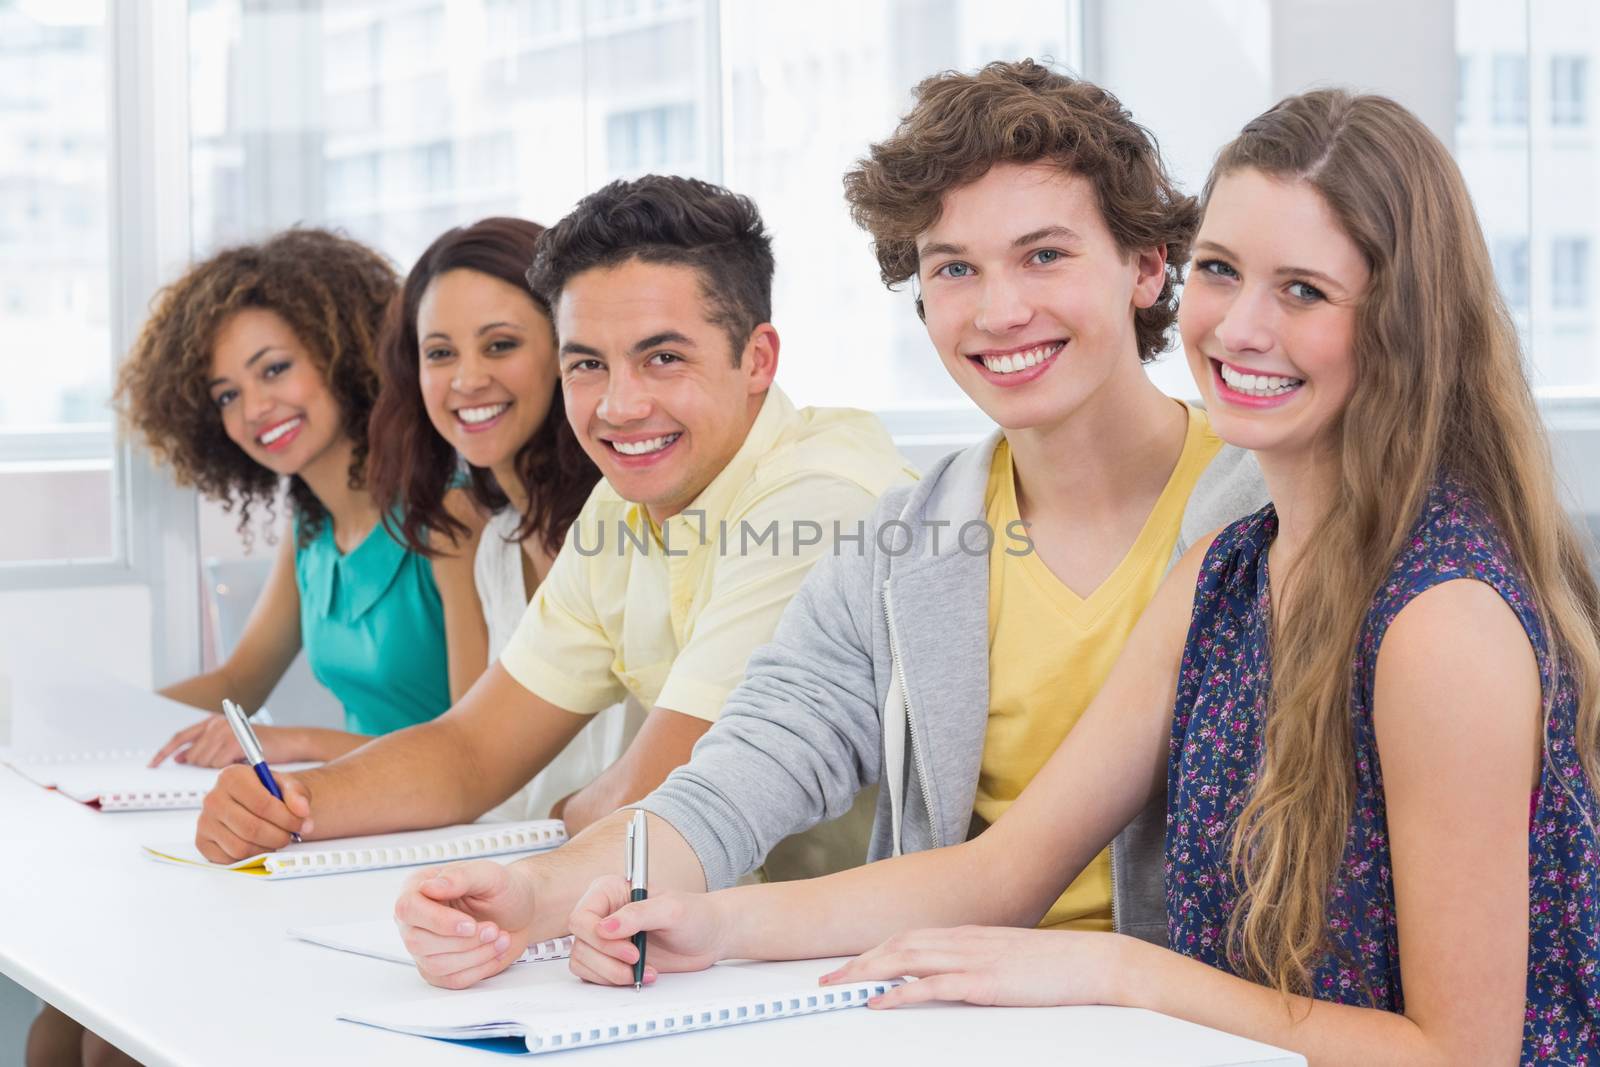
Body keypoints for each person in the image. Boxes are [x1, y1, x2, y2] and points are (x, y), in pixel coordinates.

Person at [566, 90, 1600, 1063]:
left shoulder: (1439, 618)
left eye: (1303, 290)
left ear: (1399, 322)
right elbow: (1000, 869)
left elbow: (1462, 1052)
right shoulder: (1231, 570)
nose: (1239, 328)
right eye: (1224, 271)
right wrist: (702, 922)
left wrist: (1117, 969)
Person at [389, 59, 1266, 990]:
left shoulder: (1267, 509)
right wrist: (538, 897)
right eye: (954, 269)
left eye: (1043, 255)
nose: (1000, 309)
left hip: (1199, 1019)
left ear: (1144, 266)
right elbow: (740, 769)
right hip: (950, 1006)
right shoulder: (902, 547)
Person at [188, 176, 917, 862]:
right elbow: (471, 748)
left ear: (757, 359)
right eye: (587, 364)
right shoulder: (623, 505)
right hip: (713, 929)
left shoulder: (819, 500)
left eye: (662, 357)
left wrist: (565, 816)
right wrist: (292, 800)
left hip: (853, 951)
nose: (618, 405)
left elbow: (660, 797)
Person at [27, 230, 487, 1065]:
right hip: (338, 824)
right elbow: (239, 678)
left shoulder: (445, 515)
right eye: (226, 394)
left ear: (345, 353)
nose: (253, 409)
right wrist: (73, 723)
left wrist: (303, 741)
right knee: (60, 1025)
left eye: (274, 369)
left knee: (108, 1046)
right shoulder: (311, 527)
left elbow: (479, 749)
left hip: (421, 839)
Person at [365, 216, 636, 822]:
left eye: (500, 345)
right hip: (517, 873)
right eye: (440, 353)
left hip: (632, 886)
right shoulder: (495, 547)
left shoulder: (636, 525)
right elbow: (468, 770)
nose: (467, 379)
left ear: (570, 352)